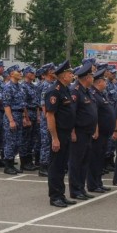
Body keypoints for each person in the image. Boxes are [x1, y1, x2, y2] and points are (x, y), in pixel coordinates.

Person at [44, 60, 77, 208]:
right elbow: (50, 115)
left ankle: (61, 194)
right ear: (63, 76)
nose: (72, 75)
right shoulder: (54, 91)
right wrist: (55, 138)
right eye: (70, 73)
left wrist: (72, 131)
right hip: (58, 134)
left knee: (63, 165)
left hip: (66, 133)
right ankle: (55, 196)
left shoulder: (65, 89)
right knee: (56, 166)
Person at [68, 62, 98, 200]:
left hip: (87, 132)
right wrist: (72, 132)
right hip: (78, 132)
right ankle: (75, 190)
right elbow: (72, 114)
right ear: (86, 77)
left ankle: (81, 187)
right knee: (76, 161)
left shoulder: (87, 91)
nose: (93, 78)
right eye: (92, 75)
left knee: (84, 161)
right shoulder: (75, 91)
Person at [87, 68, 115, 193]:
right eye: (104, 81)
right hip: (98, 133)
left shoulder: (101, 94)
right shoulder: (93, 94)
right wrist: (96, 129)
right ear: (99, 82)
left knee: (100, 159)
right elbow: (94, 114)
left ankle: (98, 182)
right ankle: (93, 184)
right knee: (95, 158)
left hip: (105, 132)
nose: (106, 83)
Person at [2, 65, 29, 174]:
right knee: (10, 142)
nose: (20, 73)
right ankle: (7, 166)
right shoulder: (8, 87)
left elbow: (22, 104)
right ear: (12, 74)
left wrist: (24, 117)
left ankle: (12, 164)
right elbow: (6, 105)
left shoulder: (20, 87)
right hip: (12, 116)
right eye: (18, 71)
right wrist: (11, 121)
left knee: (17, 142)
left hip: (19, 115)